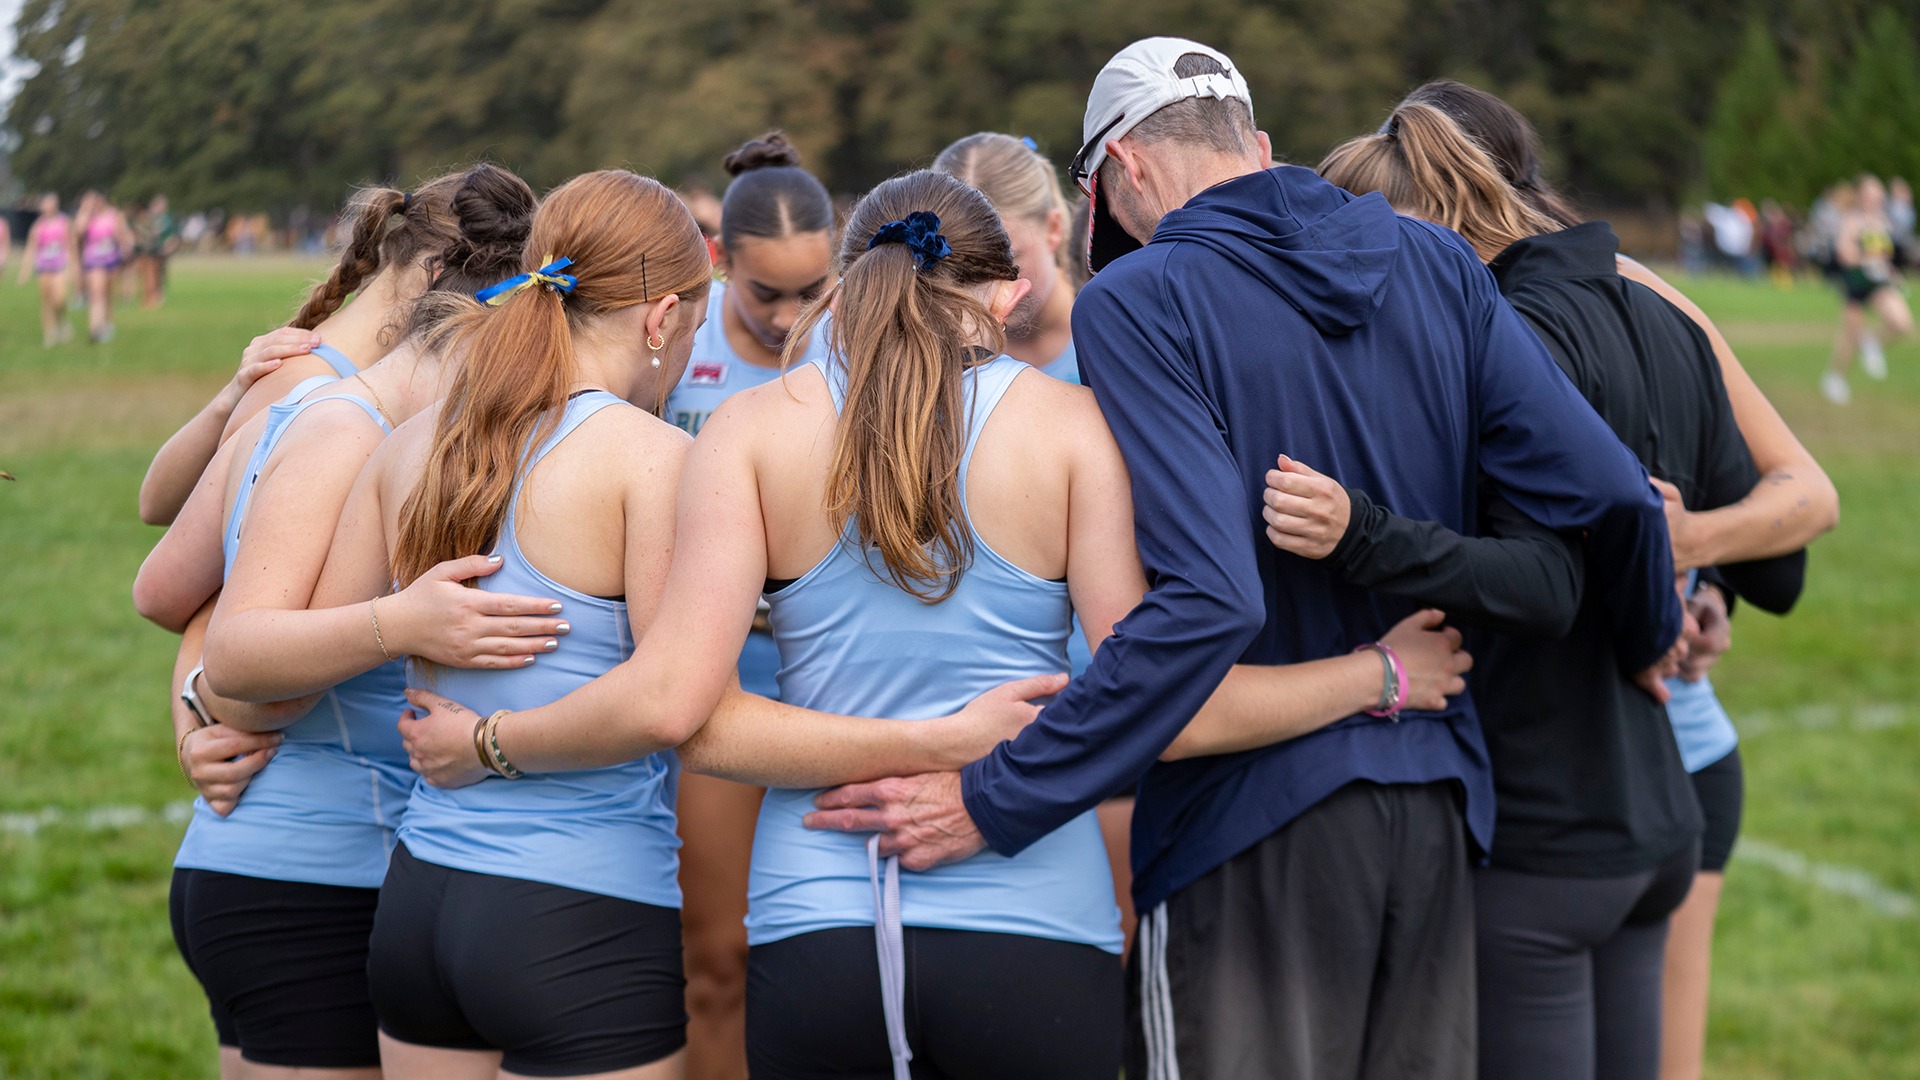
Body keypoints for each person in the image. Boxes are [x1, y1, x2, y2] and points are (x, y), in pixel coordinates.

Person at [394, 167, 1473, 1079]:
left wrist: (906, 747)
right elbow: (1167, 708)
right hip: (1032, 926)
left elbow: (700, 722)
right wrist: (1376, 675)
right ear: (1003, 297)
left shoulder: (749, 432)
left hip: (815, 924)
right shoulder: (1074, 431)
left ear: (850, 288)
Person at [790, 39, 1680, 1080]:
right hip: (1434, 805)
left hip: (1246, 828)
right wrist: (1650, 636)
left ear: (1119, 175)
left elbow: (1212, 602)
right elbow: (1613, 495)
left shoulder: (1142, 297)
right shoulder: (1438, 263)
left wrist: (999, 795)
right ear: (1254, 144)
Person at [1317, 94, 1815, 1080]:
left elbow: (1586, 545)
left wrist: (1358, 533)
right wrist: (1693, 582)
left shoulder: (1512, 334)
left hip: (1548, 821)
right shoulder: (1660, 310)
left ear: (1436, 225)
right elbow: (1773, 564)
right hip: (1659, 807)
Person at [131, 164, 559, 1080]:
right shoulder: (354, 436)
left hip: (256, 865)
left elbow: (174, 593)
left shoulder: (297, 405)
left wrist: (194, 707)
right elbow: (252, 674)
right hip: (313, 873)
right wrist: (402, 622)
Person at [660, 131, 837, 1080]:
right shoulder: (673, 358)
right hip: (715, 682)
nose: (789, 316)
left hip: (837, 680)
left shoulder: (853, 353)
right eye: (766, 294)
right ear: (720, 262)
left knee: (820, 958)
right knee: (717, 956)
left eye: (813, 291)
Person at [931, 130, 1130, 936]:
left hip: (1108, 712)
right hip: (956, 721)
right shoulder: (921, 383)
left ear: (1057, 228)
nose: (993, 292)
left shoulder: (1124, 355)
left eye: (1007, 261)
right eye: (963, 273)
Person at [138, 176, 480, 526]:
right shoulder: (318, 391)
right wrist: (228, 401)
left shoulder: (338, 373)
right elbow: (159, 509)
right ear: (439, 272)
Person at [1822, 175, 1911, 403]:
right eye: (1872, 196)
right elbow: (1844, 253)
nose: (1876, 200)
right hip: (1856, 283)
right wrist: (1866, 259)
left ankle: (1872, 342)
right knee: (1851, 334)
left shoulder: (1883, 221)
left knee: (1902, 323)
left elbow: (1885, 255)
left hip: (1878, 284)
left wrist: (1889, 270)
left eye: (1879, 196)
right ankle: (1835, 378)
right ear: (1862, 197)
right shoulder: (1852, 220)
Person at [17, 193, 76, 347]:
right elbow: (31, 249)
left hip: (60, 264)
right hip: (43, 266)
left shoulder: (64, 222)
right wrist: (25, 271)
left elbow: (71, 245)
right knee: (47, 300)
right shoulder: (38, 226)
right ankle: (50, 332)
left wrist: (72, 267)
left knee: (60, 298)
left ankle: (62, 322)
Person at [75, 191, 134, 342]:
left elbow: (122, 233)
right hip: (93, 259)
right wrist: (85, 209)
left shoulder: (114, 215)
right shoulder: (87, 216)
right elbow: (78, 230)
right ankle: (95, 328)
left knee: (107, 294)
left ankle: (106, 323)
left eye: (97, 199)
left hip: (111, 259)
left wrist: (126, 245)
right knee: (96, 293)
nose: (95, 203)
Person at [135, 194, 180, 308]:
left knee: (159, 272)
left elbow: (171, 235)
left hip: (160, 250)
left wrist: (169, 247)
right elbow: (141, 230)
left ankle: (157, 294)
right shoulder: (147, 217)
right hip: (148, 251)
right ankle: (150, 295)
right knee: (148, 273)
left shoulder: (167, 218)